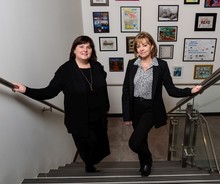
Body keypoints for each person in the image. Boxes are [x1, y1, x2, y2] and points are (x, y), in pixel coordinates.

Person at [13, 35, 110, 173]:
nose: (85, 49)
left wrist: (105, 107)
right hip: (78, 118)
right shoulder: (65, 70)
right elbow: (49, 92)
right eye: (81, 46)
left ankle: (91, 162)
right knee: (85, 147)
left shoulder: (97, 66)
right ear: (74, 50)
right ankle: (89, 165)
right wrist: (26, 90)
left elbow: (101, 86)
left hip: (98, 115)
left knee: (100, 145)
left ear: (92, 51)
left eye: (89, 47)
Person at [121, 31, 202, 177]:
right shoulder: (131, 64)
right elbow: (126, 90)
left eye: (145, 45)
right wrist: (126, 115)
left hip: (150, 109)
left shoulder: (161, 65)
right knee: (142, 139)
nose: (141, 48)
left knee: (134, 142)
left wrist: (190, 90)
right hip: (135, 109)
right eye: (138, 46)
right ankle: (144, 164)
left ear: (152, 46)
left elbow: (171, 90)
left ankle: (148, 160)